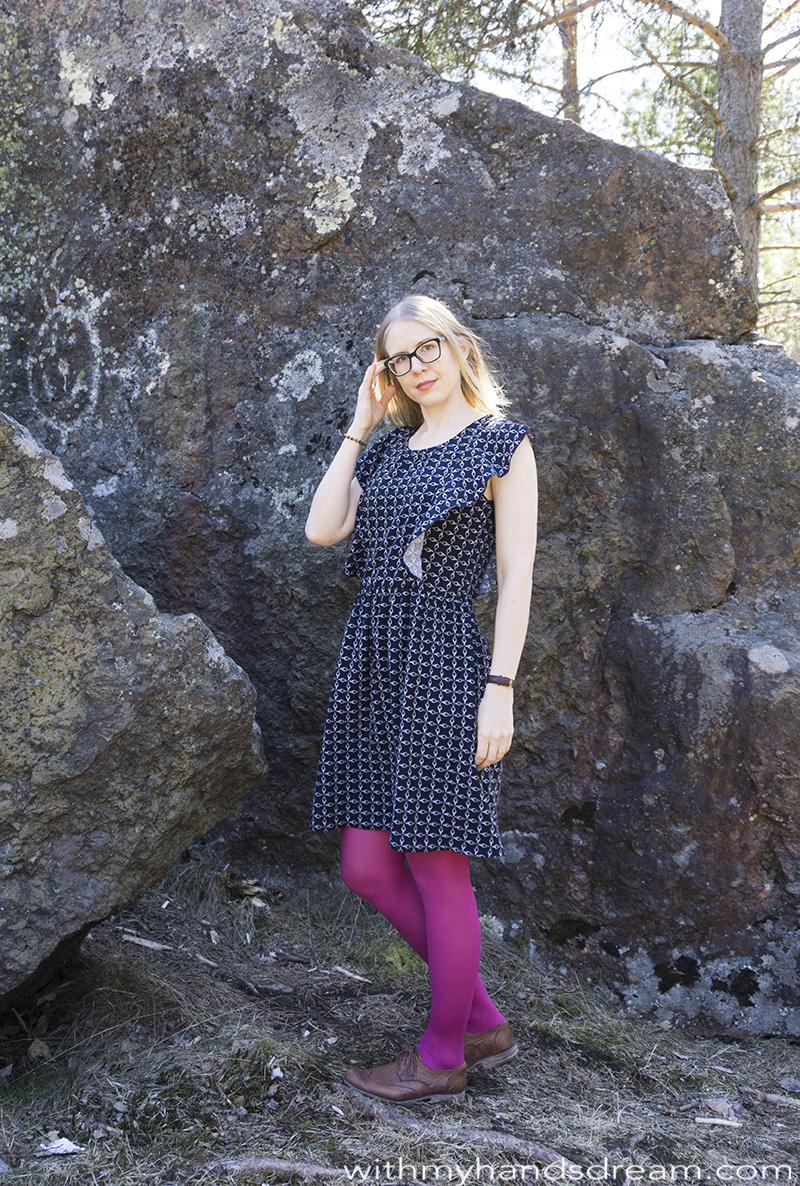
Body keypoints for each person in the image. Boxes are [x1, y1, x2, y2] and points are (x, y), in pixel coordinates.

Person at [305, 294, 538, 1105]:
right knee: (367, 866)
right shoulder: (389, 450)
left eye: (427, 348)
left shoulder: (502, 444)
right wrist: (360, 424)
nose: (416, 367)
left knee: (439, 867)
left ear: (459, 345)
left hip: (444, 663)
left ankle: (442, 1057)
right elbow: (323, 529)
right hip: (373, 663)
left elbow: (516, 577)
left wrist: (500, 690)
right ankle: (483, 1021)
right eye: (399, 359)